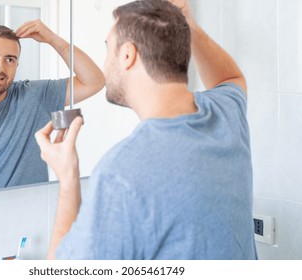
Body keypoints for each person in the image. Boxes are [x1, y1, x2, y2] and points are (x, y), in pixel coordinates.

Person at [35, 0, 257, 260]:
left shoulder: (121, 172)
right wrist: (188, 24)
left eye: (108, 49)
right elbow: (229, 79)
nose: (105, 64)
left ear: (128, 55)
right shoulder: (223, 114)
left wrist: (68, 177)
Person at [0, 20, 104, 195]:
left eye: (9, 59)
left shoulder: (34, 96)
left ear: (16, 65)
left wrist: (54, 40)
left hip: (30, 216)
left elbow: (94, 82)